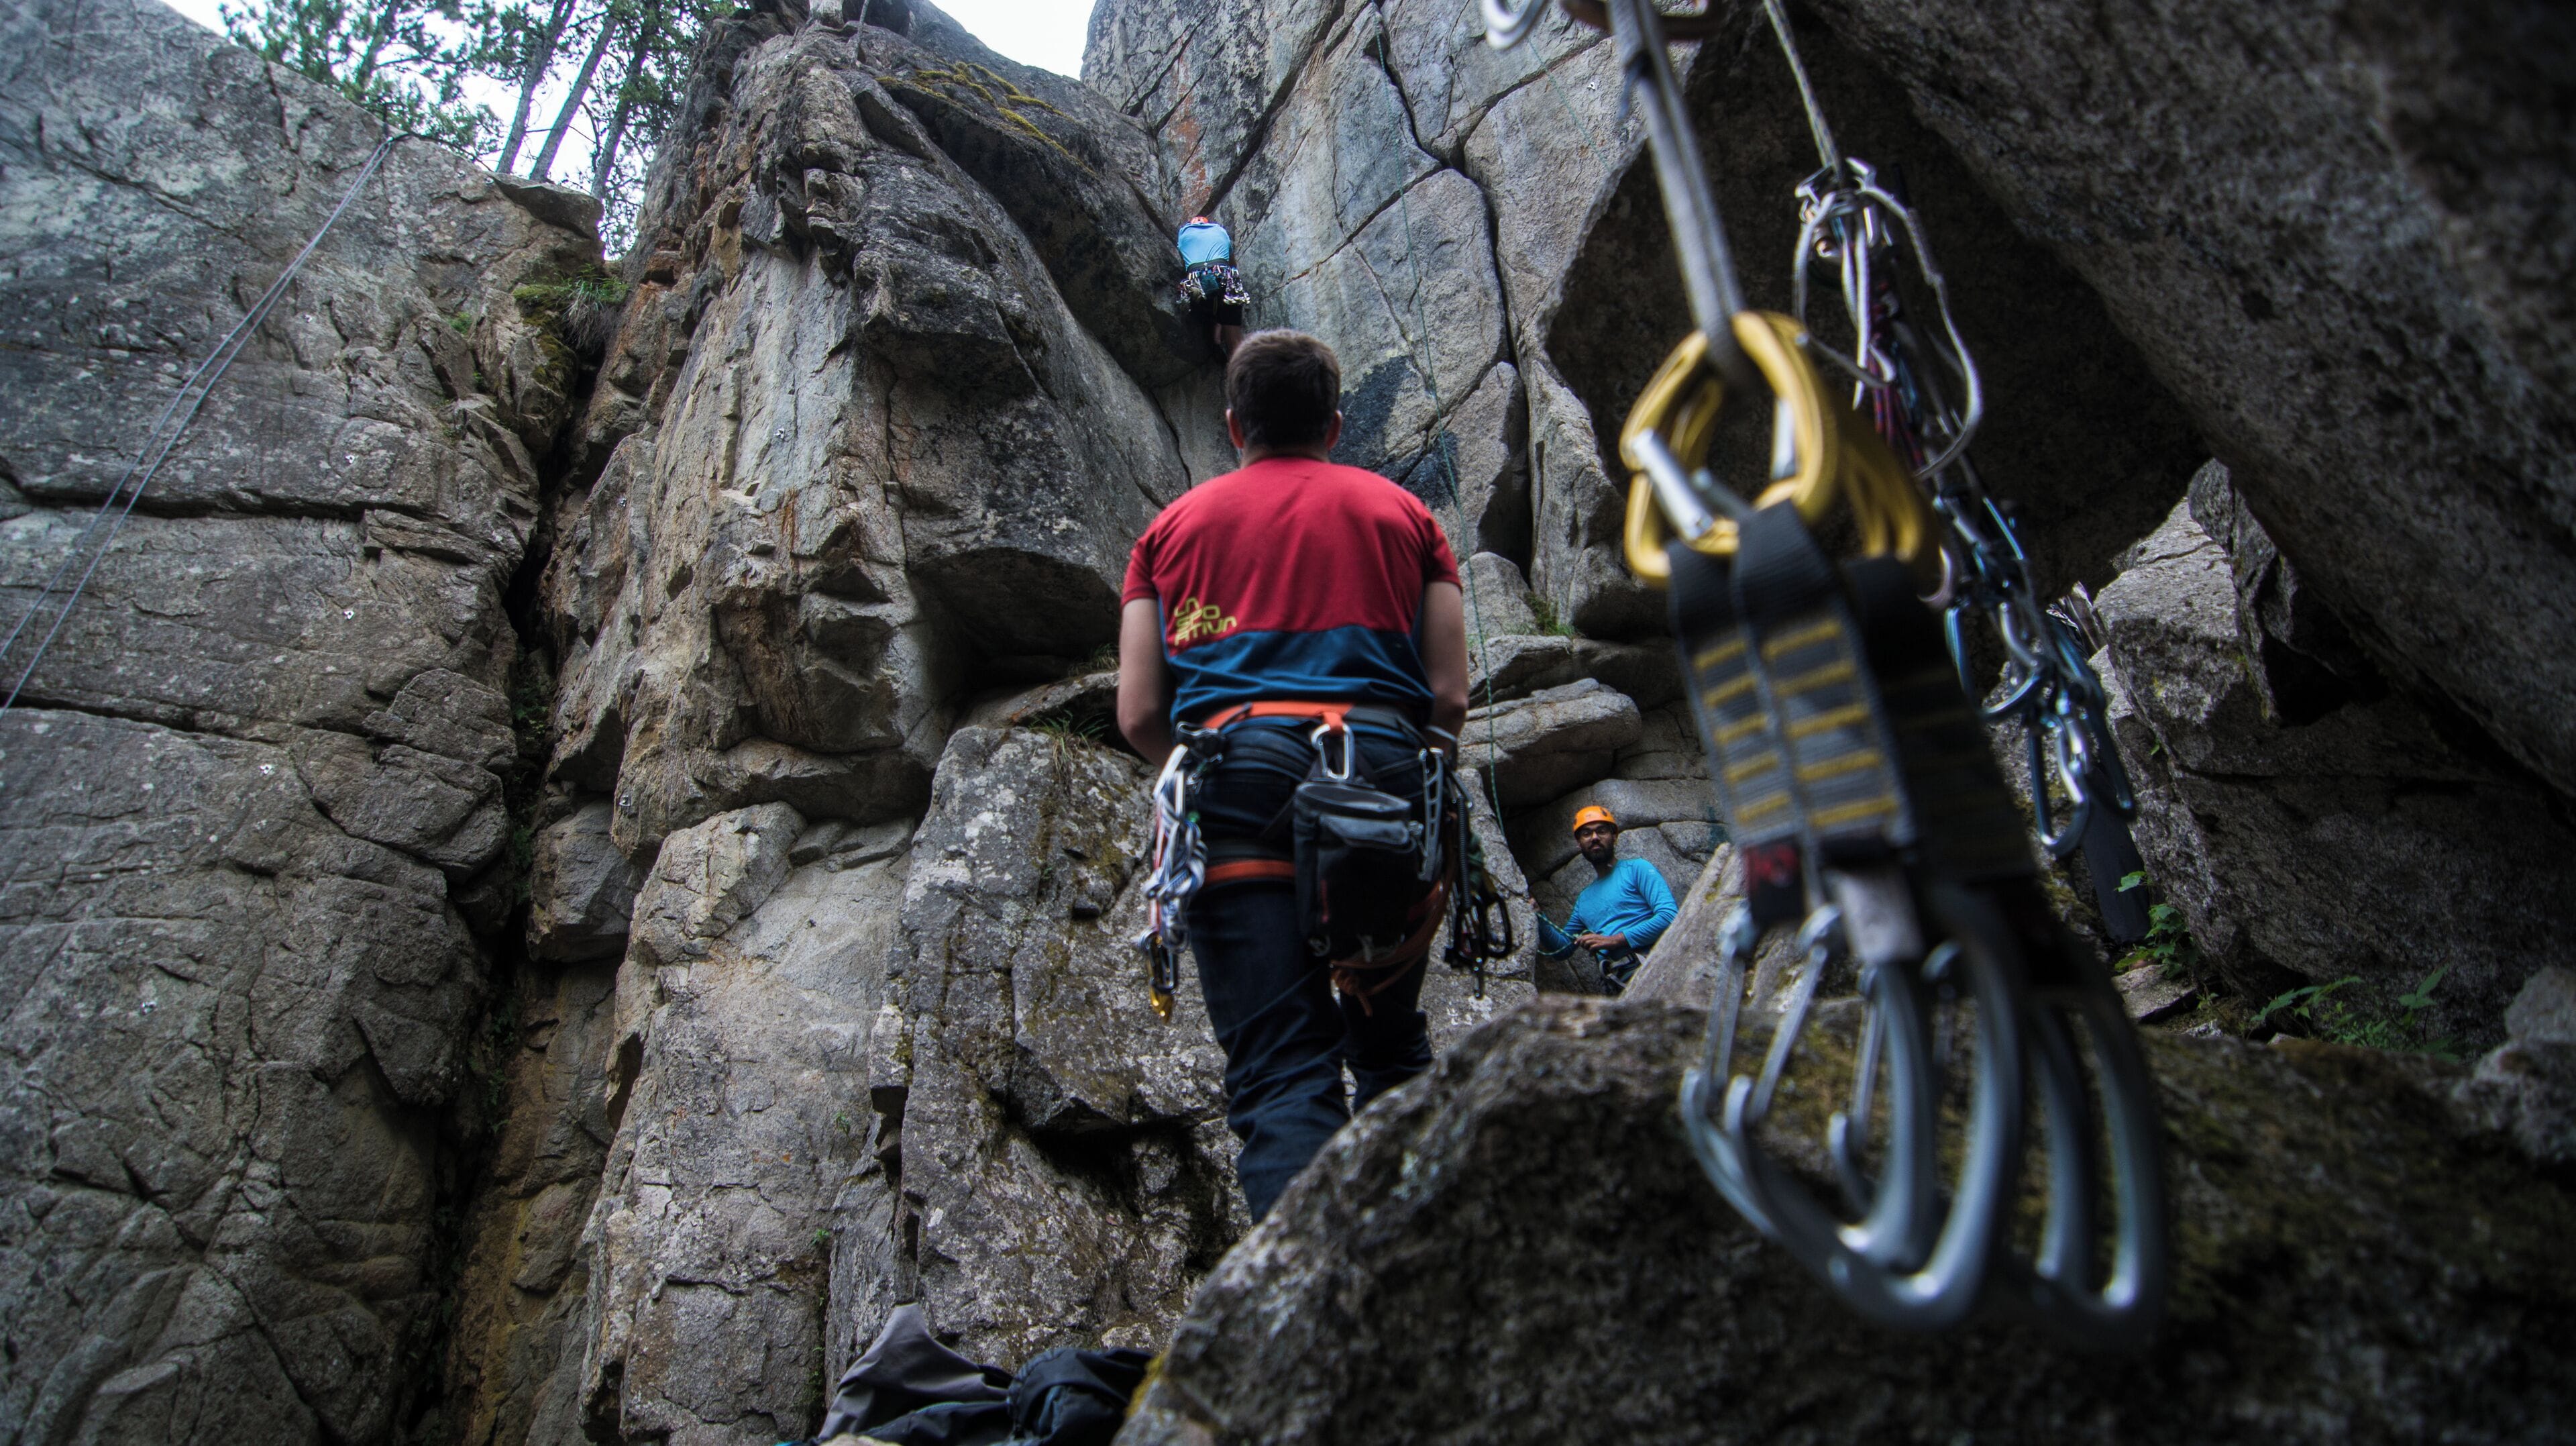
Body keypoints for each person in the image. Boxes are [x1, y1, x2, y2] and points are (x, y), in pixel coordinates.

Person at [1117, 329, 1470, 1221]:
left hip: (1235, 772)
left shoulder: (1167, 532)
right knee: (1389, 1047)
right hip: (1383, 772)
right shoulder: (1409, 517)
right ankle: (1425, 1264)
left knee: (1282, 1068)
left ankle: (1304, 1297)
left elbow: (1140, 713)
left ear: (1235, 425)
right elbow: (1449, 697)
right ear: (1335, 425)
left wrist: (1208, 775)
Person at [1534, 805, 1678, 996]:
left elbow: (1669, 916)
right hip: (1617, 985)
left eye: (1601, 831)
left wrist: (1614, 940)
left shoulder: (1637, 869)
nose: (1594, 838)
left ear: (1614, 836)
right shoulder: (1584, 900)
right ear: (1579, 844)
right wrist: (1538, 916)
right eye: (1586, 834)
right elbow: (1562, 949)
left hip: (1653, 967)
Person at [1175, 214, 1246, 359]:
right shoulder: (1220, 231)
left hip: (1198, 282)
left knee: (1206, 312)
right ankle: (1236, 356)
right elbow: (1233, 264)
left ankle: (1216, 331)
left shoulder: (1184, 234)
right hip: (1225, 278)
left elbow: (1184, 260)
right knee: (1234, 336)